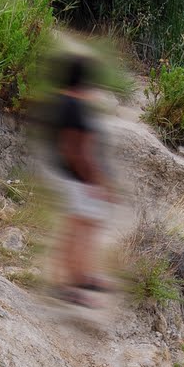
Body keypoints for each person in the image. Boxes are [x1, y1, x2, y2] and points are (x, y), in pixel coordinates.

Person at [48, 54, 115, 307]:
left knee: (86, 226)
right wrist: (92, 180)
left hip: (77, 176)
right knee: (77, 230)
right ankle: (67, 285)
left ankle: (82, 276)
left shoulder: (68, 101)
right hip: (79, 177)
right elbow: (74, 148)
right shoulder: (73, 105)